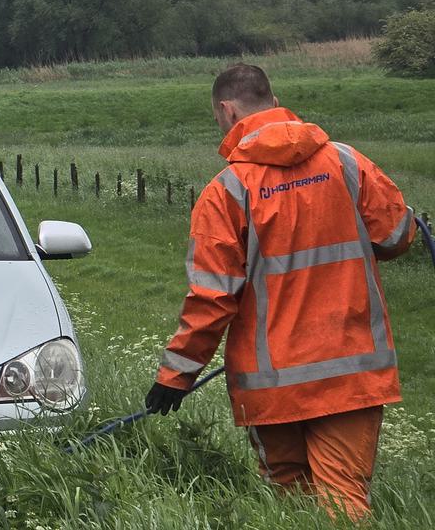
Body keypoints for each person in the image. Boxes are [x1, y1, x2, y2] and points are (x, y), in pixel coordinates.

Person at [147, 63, 416, 520]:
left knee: (289, 501)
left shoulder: (226, 192)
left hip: (273, 385)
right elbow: (397, 237)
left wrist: (175, 377)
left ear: (228, 112)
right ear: (274, 102)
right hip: (350, 372)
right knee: (343, 497)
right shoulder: (347, 163)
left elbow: (211, 300)